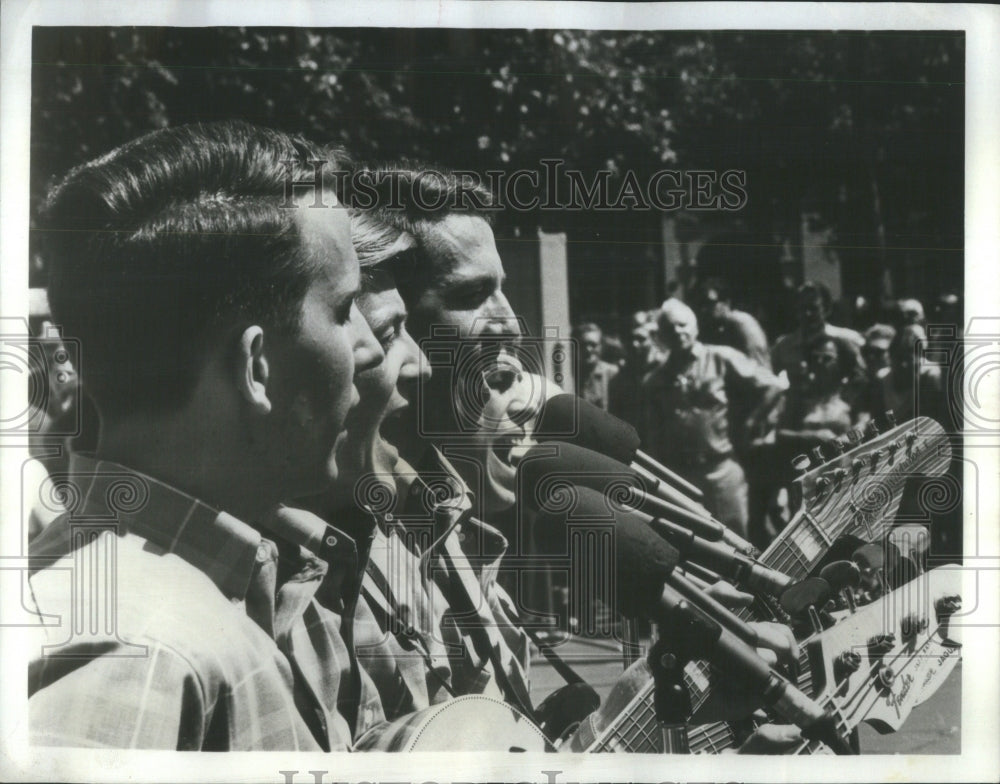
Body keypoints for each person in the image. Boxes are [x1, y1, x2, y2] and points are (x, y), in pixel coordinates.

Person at [28, 121, 387, 750]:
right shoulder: (144, 652)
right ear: (257, 367)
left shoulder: (263, 585)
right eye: (341, 309)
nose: (369, 348)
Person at [640, 299, 784, 540]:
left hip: (720, 473)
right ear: (661, 335)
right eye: (670, 328)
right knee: (690, 547)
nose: (678, 332)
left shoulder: (721, 358)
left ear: (695, 327)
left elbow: (772, 386)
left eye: (683, 325)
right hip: (679, 478)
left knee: (737, 544)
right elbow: (652, 433)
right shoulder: (654, 380)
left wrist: (751, 424)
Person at [694, 277, 772, 370]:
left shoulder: (741, 323)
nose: (704, 309)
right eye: (701, 304)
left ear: (726, 302)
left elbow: (760, 366)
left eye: (709, 303)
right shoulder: (714, 327)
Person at [573, 321, 619, 411]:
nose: (588, 349)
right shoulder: (570, 374)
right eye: (583, 345)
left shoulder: (612, 373)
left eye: (593, 345)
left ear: (601, 346)